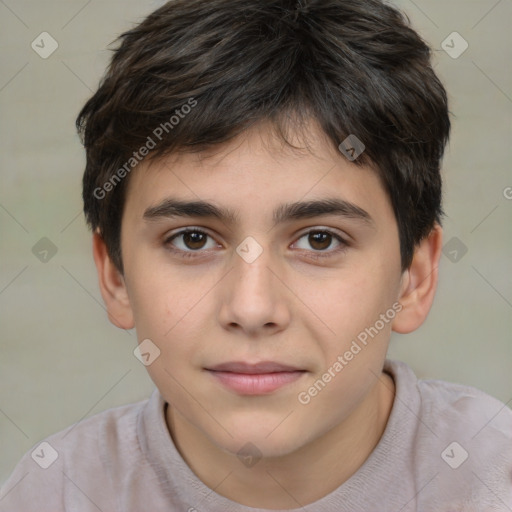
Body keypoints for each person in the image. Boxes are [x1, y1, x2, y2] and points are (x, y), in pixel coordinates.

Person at [1, 0, 511, 510]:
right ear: (115, 274)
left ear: (413, 277)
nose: (252, 308)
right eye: (193, 239)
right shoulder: (56, 493)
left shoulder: (492, 480)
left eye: (319, 240)